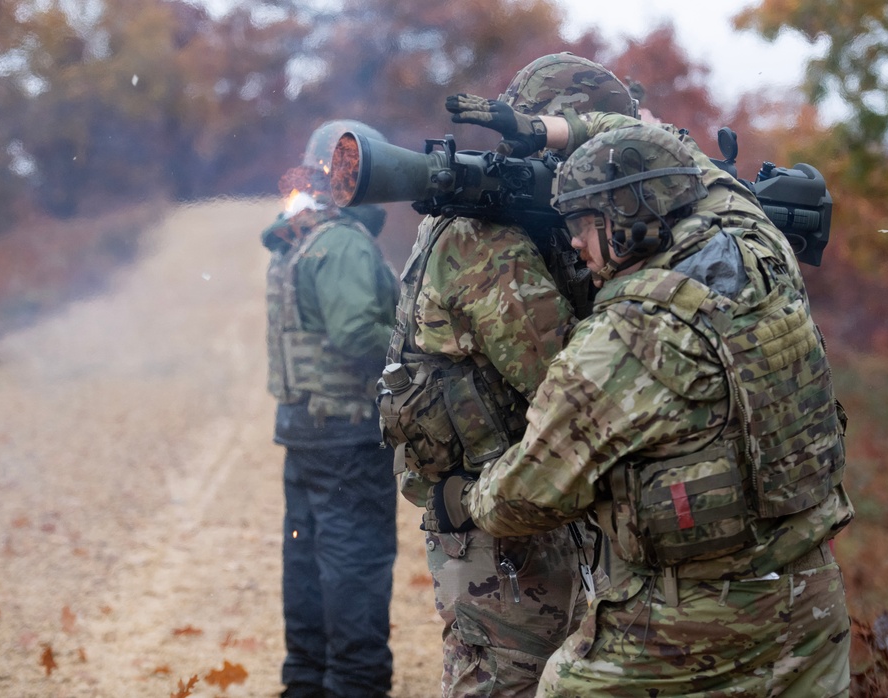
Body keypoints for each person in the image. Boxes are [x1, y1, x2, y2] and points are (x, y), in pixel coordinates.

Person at [428, 112, 853, 695]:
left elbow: (524, 496)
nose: (574, 242)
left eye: (583, 222)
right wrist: (553, 128)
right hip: (813, 597)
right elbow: (680, 145)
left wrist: (465, 498)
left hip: (690, 620)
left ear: (627, 219)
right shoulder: (757, 238)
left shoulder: (623, 340)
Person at [377, 53, 638, 698]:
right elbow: (572, 387)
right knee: (502, 682)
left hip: (508, 508)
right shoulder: (485, 241)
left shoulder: (500, 227)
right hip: (502, 528)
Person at [262, 119, 399, 698]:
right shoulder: (340, 240)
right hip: (346, 434)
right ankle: (353, 686)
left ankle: (306, 682)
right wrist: (419, 341)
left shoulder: (299, 234)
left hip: (305, 431)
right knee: (355, 566)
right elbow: (355, 336)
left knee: (310, 561)